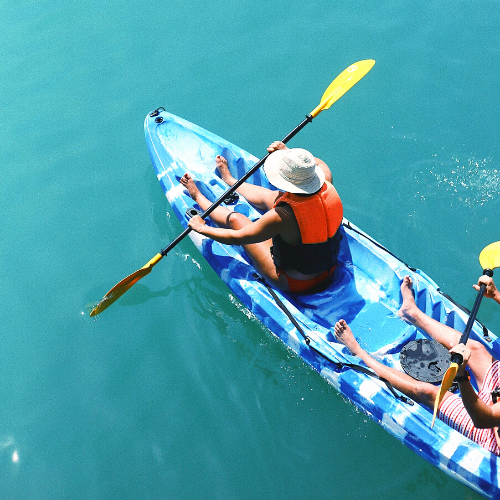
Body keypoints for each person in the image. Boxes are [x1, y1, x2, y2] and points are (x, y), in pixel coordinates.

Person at [334, 275, 500, 455]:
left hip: (489, 429)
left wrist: (461, 375)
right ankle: (411, 312)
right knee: (476, 349)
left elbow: (484, 418)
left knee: (429, 393)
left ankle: (360, 354)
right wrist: (495, 294)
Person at [180, 141, 343, 293]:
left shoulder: (283, 216)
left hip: (295, 282)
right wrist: (289, 155)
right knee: (273, 196)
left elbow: (237, 237)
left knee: (239, 221)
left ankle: (198, 197)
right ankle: (230, 180)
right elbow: (319, 164)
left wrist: (202, 227)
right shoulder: (327, 181)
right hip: (329, 268)